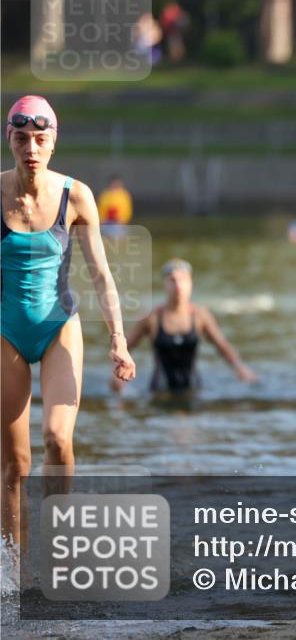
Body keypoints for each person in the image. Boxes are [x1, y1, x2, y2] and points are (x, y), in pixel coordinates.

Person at [2, 95, 137, 547]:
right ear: (10, 140)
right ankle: (11, 572)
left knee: (58, 439)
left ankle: (56, 548)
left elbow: (101, 273)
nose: (31, 149)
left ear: (53, 142)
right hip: (6, 334)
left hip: (58, 325)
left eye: (41, 139)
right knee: (15, 466)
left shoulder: (75, 195)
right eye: (22, 139)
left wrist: (118, 338)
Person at [112, 258, 257, 394]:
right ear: (165, 284)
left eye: (183, 280)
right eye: (173, 280)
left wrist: (240, 368)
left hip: (193, 389)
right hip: (160, 392)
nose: (178, 286)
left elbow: (222, 346)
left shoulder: (200, 315)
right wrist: (117, 375)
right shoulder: (151, 317)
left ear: (190, 283)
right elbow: (124, 347)